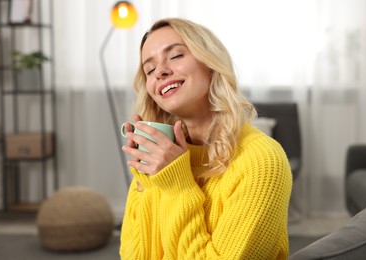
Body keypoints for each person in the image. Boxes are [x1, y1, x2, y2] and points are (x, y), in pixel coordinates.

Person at [120, 17, 292, 259]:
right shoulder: (159, 158)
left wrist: (178, 186)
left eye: (176, 55)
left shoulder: (261, 161)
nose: (160, 71)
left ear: (210, 63)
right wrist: (150, 181)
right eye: (150, 69)